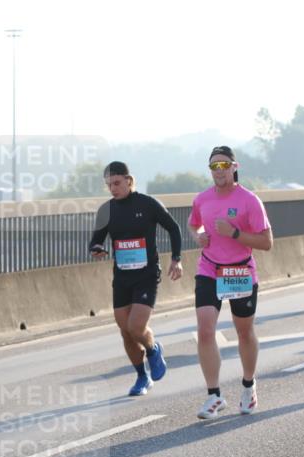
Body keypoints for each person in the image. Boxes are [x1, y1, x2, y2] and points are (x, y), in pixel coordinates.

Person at [187, 146, 273, 419]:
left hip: (240, 272)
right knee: (204, 329)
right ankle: (214, 395)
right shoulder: (202, 199)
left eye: (224, 166)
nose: (219, 171)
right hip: (210, 269)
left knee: (244, 332)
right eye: (214, 166)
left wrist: (235, 232)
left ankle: (248, 385)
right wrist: (198, 236)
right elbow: (193, 224)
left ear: (235, 167)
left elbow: (266, 242)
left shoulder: (249, 201)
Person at [90, 161, 182, 397]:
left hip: (146, 275)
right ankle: (142, 376)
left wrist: (176, 258)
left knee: (135, 326)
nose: (113, 188)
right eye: (109, 185)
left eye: (117, 183)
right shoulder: (106, 210)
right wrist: (97, 248)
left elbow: (173, 228)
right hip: (121, 277)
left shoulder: (147, 204)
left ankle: (153, 348)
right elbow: (96, 239)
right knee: (125, 331)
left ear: (129, 181)